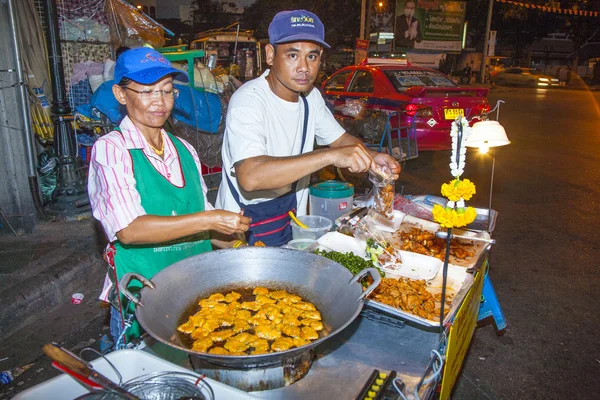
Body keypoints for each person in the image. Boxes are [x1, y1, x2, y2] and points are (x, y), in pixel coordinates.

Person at [88, 47, 251, 348]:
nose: (160, 102)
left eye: (167, 91)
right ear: (121, 94)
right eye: (148, 92)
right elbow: (129, 230)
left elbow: (202, 225)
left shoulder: (185, 150)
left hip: (192, 293)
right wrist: (209, 218)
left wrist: (240, 245)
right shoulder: (112, 149)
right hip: (143, 296)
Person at [215, 10, 401, 247]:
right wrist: (329, 155)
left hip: (290, 222)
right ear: (271, 55)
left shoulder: (309, 98)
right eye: (293, 55)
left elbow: (341, 139)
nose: (304, 67)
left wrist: (372, 158)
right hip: (241, 231)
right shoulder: (249, 100)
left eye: (312, 57)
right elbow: (250, 176)